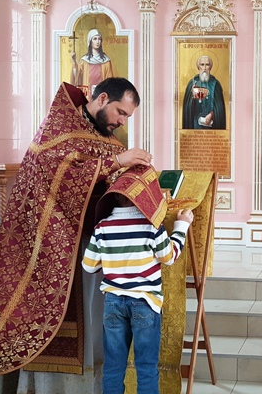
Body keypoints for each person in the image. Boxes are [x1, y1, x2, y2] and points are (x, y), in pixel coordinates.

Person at [0, 78, 152, 375]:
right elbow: (58, 173)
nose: (122, 121)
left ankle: (95, 379)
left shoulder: (105, 138)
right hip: (52, 244)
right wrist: (117, 160)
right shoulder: (60, 127)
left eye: (128, 117)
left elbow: (106, 179)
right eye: (121, 112)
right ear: (102, 99)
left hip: (92, 243)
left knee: (95, 317)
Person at [82, 164, 194, 394]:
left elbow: (88, 265)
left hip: (113, 303)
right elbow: (169, 257)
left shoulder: (103, 227)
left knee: (113, 367)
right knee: (146, 367)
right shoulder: (151, 226)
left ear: (114, 197)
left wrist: (113, 259)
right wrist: (181, 226)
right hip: (145, 302)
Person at [182, 55, 227, 129]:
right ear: (198, 67)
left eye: (207, 65)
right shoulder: (192, 83)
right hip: (195, 125)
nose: (205, 68)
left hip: (212, 126)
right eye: (202, 65)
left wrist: (212, 115)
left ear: (210, 67)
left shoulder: (215, 84)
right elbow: (187, 109)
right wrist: (192, 97)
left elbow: (220, 109)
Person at [72, 28, 115, 98]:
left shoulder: (106, 61)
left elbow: (110, 82)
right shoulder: (84, 60)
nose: (97, 42)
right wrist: (74, 62)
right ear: (90, 41)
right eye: (95, 39)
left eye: (99, 39)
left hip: (101, 96)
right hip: (87, 96)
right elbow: (77, 77)